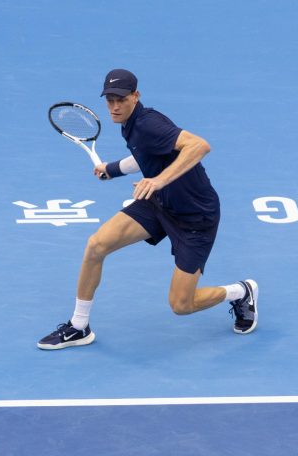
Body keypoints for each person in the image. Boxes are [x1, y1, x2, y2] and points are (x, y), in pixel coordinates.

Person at [37, 69, 258, 350]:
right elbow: (144, 154)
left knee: (181, 305)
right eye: (110, 100)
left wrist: (158, 180)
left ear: (136, 96)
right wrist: (112, 170)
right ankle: (79, 326)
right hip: (158, 204)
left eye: (121, 99)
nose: (115, 107)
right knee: (96, 246)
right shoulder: (129, 124)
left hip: (194, 217)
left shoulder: (149, 123)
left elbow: (199, 146)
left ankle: (241, 291)